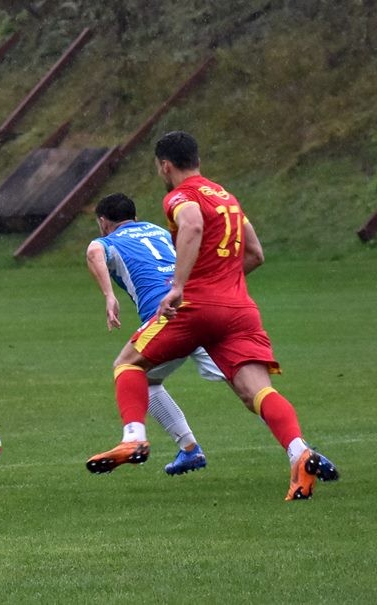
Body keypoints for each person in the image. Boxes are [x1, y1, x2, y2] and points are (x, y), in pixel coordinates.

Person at [86, 131, 339, 501]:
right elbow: (255, 254)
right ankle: (299, 454)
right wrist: (224, 283)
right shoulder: (227, 198)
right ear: (198, 160)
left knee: (128, 363)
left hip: (196, 306)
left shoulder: (180, 196)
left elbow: (191, 224)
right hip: (239, 309)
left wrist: (179, 286)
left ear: (164, 166)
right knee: (256, 391)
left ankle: (134, 438)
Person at [87, 192, 227, 475]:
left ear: (103, 221)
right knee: (248, 386)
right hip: (202, 308)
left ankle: (134, 439)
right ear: (135, 217)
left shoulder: (109, 241)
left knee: (129, 369)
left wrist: (109, 296)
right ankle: (298, 448)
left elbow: (94, 253)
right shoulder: (160, 232)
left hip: (168, 317)